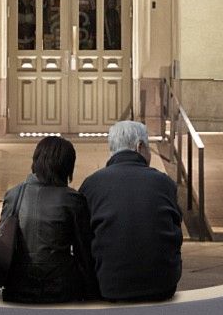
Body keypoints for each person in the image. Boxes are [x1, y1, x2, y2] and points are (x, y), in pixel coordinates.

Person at [78, 120, 183, 302]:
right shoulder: (164, 183)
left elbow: (83, 239)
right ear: (140, 146)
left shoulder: (91, 184)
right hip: (162, 286)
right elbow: (175, 231)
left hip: (109, 286)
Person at [0, 134, 97, 304]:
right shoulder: (72, 200)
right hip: (61, 288)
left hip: (18, 288)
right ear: (67, 166)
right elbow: (83, 250)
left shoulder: (14, 194)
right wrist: (92, 291)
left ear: (36, 161)